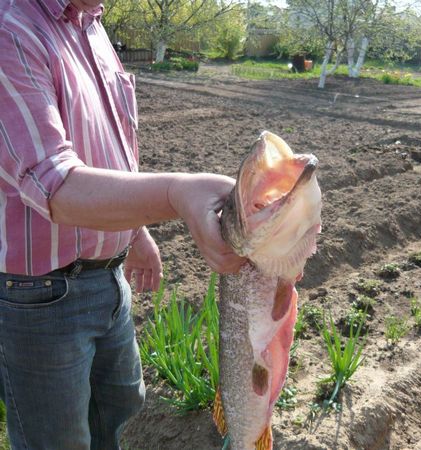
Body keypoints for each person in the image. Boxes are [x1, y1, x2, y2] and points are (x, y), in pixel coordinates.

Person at [0, 1, 245, 449]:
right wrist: (174, 194)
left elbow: (108, 143)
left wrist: (135, 231)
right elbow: (52, 183)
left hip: (109, 281)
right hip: (40, 297)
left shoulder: (92, 24)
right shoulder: (11, 29)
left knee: (118, 420)